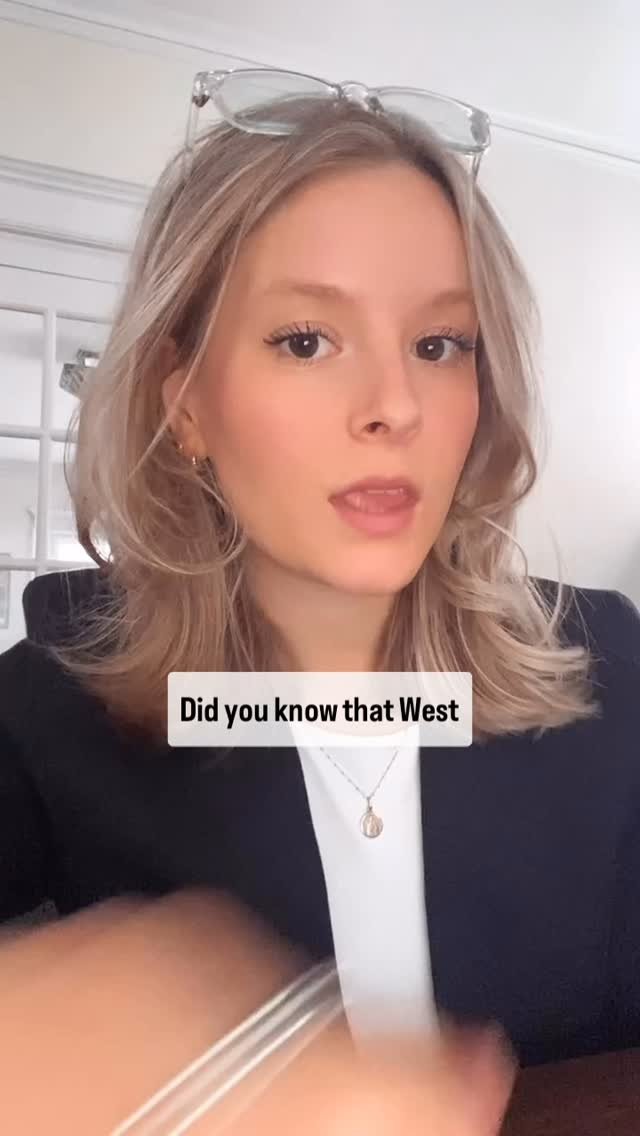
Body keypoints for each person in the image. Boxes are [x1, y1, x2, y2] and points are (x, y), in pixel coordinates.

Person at [0, 66, 639, 1129]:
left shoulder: (610, 667)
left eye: (439, 345)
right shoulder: (45, 711)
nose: (395, 405)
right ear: (186, 403)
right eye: (306, 340)